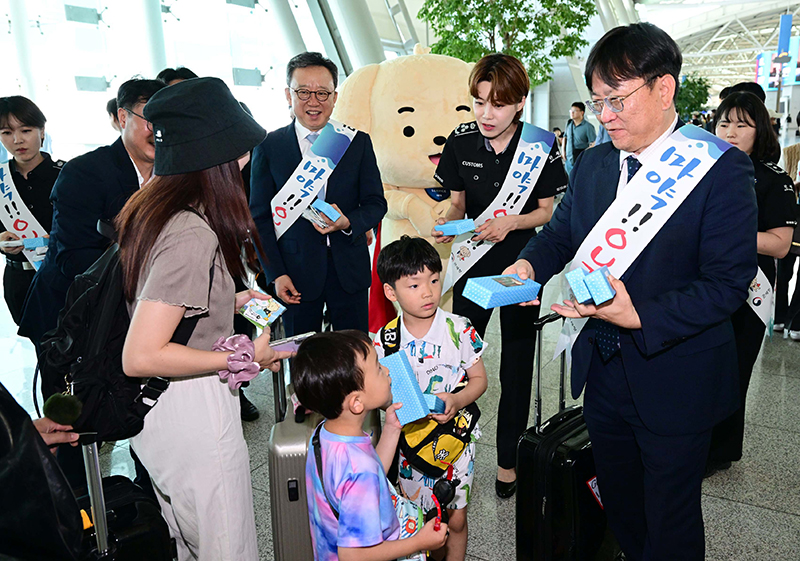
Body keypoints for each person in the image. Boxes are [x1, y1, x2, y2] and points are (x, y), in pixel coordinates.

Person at [505, 23, 758, 560]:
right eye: (598, 101)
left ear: (663, 89)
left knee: (670, 521)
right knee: (619, 507)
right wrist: (528, 268)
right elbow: (559, 235)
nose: (605, 115)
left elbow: (726, 285)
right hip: (601, 373)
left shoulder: (720, 169)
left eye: (616, 100)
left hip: (675, 376)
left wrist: (637, 312)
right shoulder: (595, 163)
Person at [116, 77, 291, 561]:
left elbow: (156, 298)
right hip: (191, 407)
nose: (244, 161)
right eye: (237, 151)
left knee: (189, 539)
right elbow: (143, 353)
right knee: (226, 545)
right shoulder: (191, 231)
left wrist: (225, 301)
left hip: (159, 412)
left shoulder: (151, 207)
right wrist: (238, 357)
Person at [430, 53, 566, 499]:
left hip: (521, 266)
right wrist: (447, 219)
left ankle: (508, 459)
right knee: (459, 360)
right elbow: (456, 202)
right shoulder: (461, 142)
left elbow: (546, 212)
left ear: (520, 103)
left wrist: (511, 222)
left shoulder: (541, 148)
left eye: (499, 104)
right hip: (472, 267)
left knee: (516, 366)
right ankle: (448, 448)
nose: (487, 114)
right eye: (479, 101)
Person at [19, 78, 166, 356]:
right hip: (69, 317)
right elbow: (73, 258)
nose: (159, 131)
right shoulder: (85, 173)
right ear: (123, 117)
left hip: (134, 315)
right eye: (151, 119)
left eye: (168, 120)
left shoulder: (172, 173)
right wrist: (154, 281)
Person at [250, 51, 386, 336]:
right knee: (304, 361)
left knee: (354, 357)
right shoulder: (269, 147)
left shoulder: (356, 142)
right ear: (289, 95)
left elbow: (376, 204)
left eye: (323, 93)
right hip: (294, 274)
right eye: (303, 92)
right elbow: (259, 219)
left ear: (335, 97)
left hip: (349, 272)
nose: (314, 102)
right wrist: (276, 274)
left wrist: (347, 222)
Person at [374, 236, 487, 561]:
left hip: (456, 443)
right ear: (391, 292)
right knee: (418, 520)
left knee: (457, 516)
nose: (427, 291)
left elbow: (480, 381)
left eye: (434, 280)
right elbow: (380, 395)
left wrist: (458, 399)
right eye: (414, 285)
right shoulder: (386, 341)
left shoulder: (460, 329)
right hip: (411, 448)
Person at [292, 330, 449, 561]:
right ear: (357, 402)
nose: (387, 371)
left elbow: (372, 476)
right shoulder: (359, 469)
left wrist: (392, 429)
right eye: (377, 368)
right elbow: (353, 556)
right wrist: (419, 542)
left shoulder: (325, 433)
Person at [706, 92, 797, 476]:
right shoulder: (701, 168)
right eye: (724, 122)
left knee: (733, 370)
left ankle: (720, 451)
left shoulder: (774, 179)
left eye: (742, 125)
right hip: (702, 285)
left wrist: (730, 233)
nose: (730, 131)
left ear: (760, 131)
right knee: (700, 369)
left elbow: (779, 244)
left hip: (749, 291)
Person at [0, 96, 64, 325]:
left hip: (62, 277)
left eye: (25, 130)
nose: (17, 140)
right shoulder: (1, 180)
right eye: (6, 133)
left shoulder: (67, 175)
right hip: (19, 280)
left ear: (42, 131)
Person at [563, 101, 596, 174]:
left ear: (582, 112)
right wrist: (563, 152)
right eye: (571, 111)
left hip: (580, 158)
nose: (572, 113)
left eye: (574, 111)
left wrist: (584, 154)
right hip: (568, 159)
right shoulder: (569, 124)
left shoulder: (588, 127)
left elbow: (593, 143)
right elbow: (565, 137)